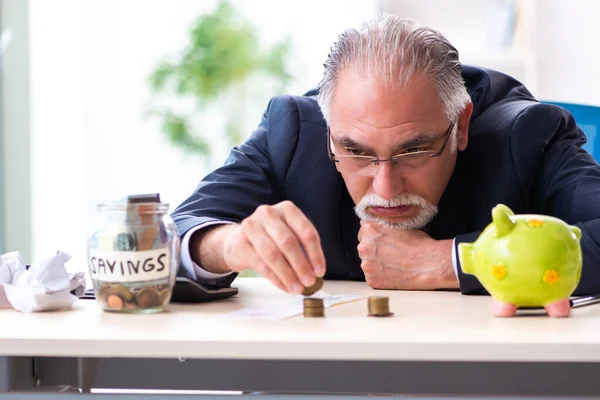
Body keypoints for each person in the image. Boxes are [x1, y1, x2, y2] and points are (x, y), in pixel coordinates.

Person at [171, 14, 600, 314]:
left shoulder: (529, 134)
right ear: (329, 131)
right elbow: (163, 239)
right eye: (355, 151)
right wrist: (226, 245)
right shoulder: (293, 131)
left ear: (461, 124)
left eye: (414, 150)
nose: (386, 188)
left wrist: (447, 261)